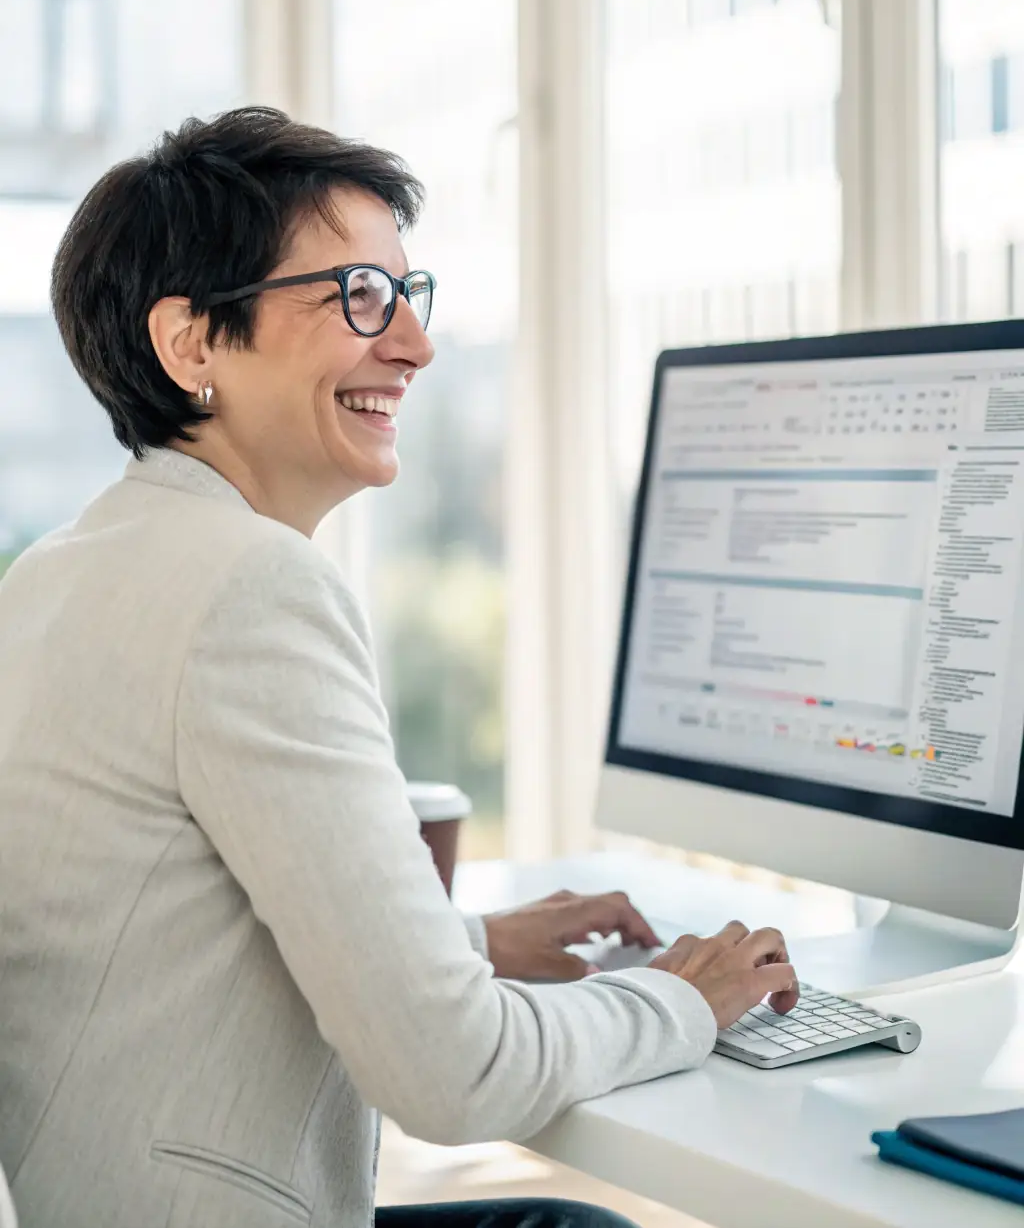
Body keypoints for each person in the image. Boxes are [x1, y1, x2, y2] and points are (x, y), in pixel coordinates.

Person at [0, 108, 797, 1228]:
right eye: (356, 298)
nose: (414, 346)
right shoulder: (248, 587)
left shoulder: (64, 567)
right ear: (190, 344)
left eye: (405, 298)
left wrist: (462, 945)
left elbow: (166, 944)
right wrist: (681, 997)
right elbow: (455, 1075)